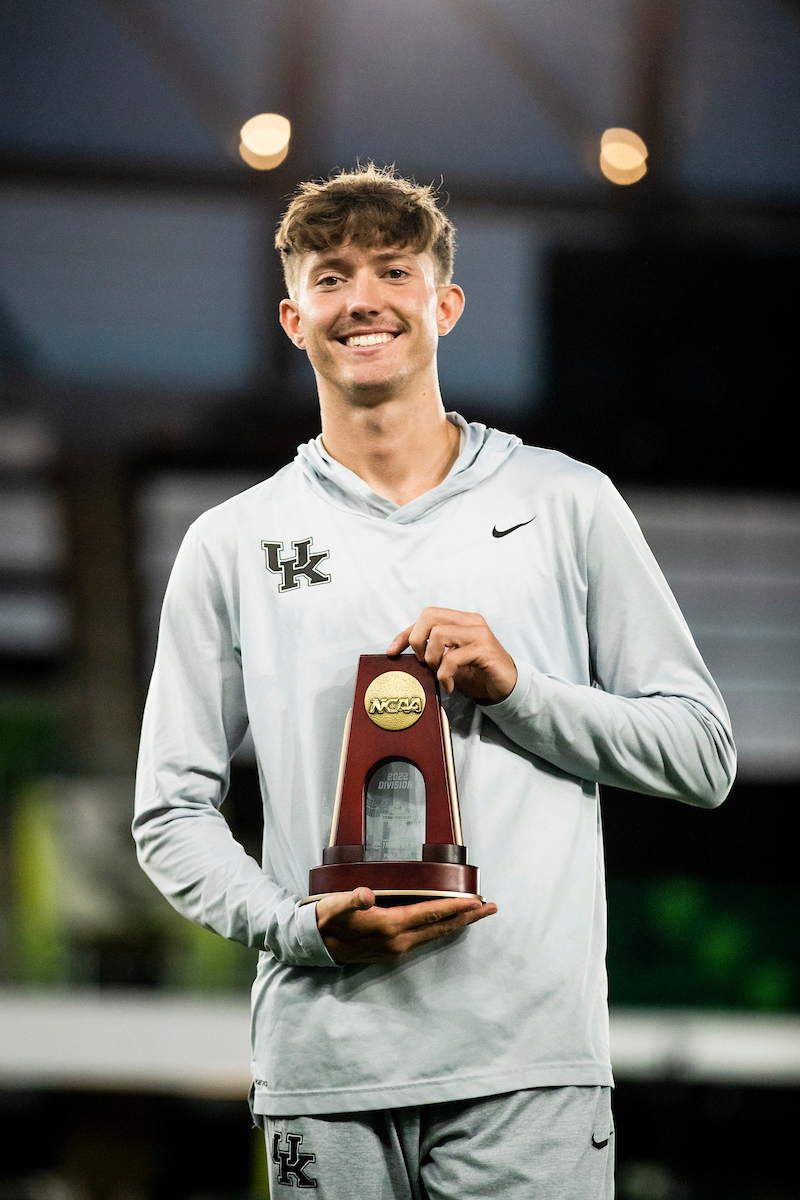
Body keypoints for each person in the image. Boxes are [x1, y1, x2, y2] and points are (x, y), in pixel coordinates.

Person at [134, 164, 736, 1198]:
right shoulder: (232, 540)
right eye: (329, 278)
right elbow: (168, 814)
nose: (361, 298)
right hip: (324, 1065)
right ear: (293, 318)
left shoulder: (565, 502)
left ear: (443, 303)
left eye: (393, 270)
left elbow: (700, 755)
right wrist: (298, 930)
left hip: (526, 1071)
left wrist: (521, 690)